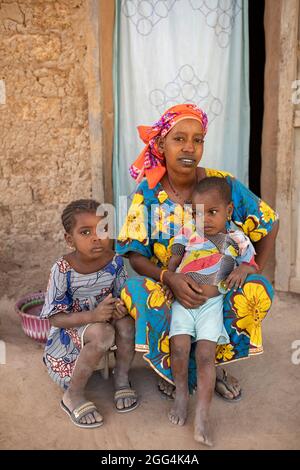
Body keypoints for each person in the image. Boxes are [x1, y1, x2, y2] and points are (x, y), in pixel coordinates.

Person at [116, 103, 278, 405]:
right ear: (162, 144)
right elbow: (134, 254)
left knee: (257, 290)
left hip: (215, 287)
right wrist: (170, 278)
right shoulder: (147, 192)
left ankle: (210, 364)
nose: (189, 147)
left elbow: (268, 222)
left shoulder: (222, 184)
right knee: (137, 291)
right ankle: (173, 369)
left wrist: (250, 268)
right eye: (179, 139)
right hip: (168, 286)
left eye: (198, 139)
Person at [167, 176, 258, 446]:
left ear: (229, 211)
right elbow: (173, 261)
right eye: (197, 213)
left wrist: (243, 268)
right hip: (183, 302)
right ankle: (181, 394)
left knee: (206, 356)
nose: (204, 219)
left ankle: (203, 415)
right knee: (180, 348)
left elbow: (252, 265)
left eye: (213, 212)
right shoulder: (187, 233)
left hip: (211, 306)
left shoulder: (236, 238)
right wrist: (169, 278)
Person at [40, 199, 137, 429]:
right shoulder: (62, 269)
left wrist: (120, 306)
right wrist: (93, 316)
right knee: (102, 333)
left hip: (102, 317)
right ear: (69, 239)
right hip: (71, 328)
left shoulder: (115, 262)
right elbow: (55, 318)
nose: (96, 237)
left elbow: (120, 295)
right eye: (85, 232)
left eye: (102, 230)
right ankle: (73, 395)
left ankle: (121, 377)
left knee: (127, 325)